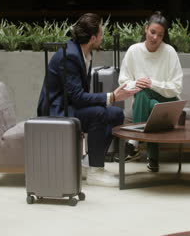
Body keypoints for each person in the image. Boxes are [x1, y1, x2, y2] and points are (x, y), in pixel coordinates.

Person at [37, 13, 139, 187]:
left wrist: (111, 100)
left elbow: (77, 96)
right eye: (101, 33)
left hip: (70, 105)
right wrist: (112, 96)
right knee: (99, 113)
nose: (102, 37)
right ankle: (95, 172)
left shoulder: (83, 52)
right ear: (93, 38)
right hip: (57, 110)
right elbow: (77, 97)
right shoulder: (69, 56)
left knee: (115, 113)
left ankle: (91, 164)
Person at [118, 11, 183, 172]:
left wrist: (152, 83)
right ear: (146, 29)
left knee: (148, 95)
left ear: (163, 36)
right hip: (146, 102)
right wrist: (138, 83)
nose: (155, 38)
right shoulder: (134, 51)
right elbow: (123, 82)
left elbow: (176, 87)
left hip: (169, 102)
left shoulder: (169, 52)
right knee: (149, 102)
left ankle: (133, 142)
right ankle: (153, 159)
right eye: (152, 32)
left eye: (160, 35)